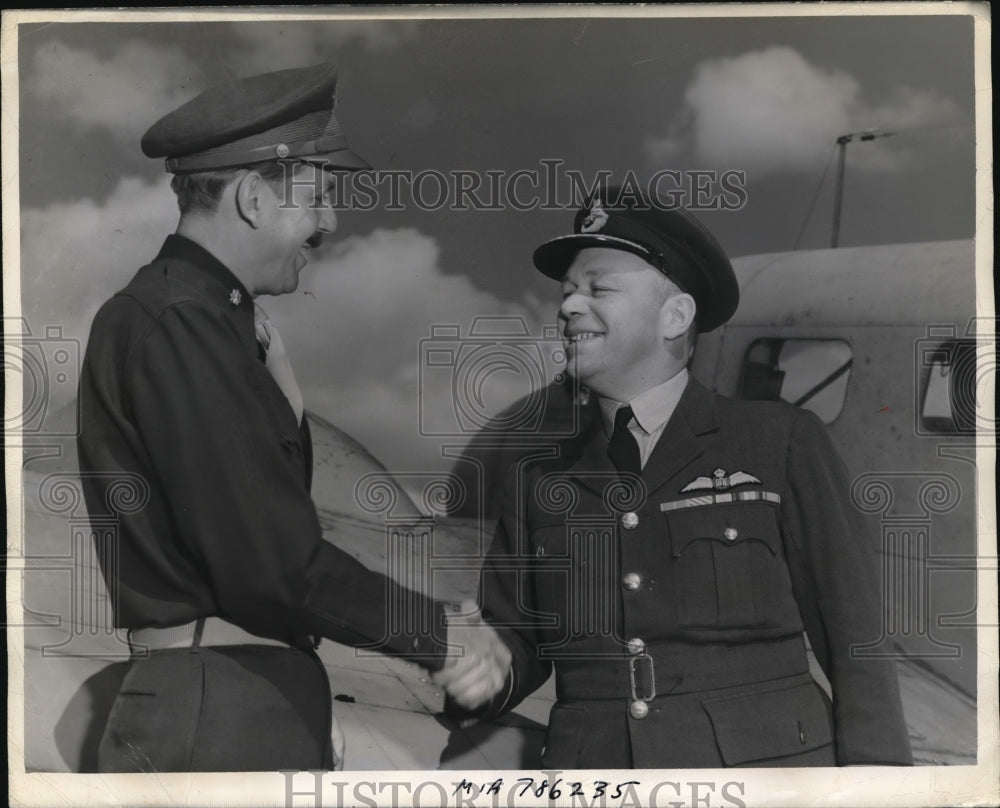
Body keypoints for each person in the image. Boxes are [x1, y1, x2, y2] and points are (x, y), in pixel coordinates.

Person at [77, 62, 508, 773]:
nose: (330, 222)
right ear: (251, 196)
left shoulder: (204, 320)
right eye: (319, 195)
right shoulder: (182, 322)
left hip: (237, 699)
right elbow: (269, 560)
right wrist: (436, 632)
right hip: (220, 710)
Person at [443, 186, 913, 768]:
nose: (566, 307)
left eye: (599, 288)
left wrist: (881, 786)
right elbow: (516, 644)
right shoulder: (538, 475)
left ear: (676, 316)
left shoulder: (780, 443)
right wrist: (474, 667)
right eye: (566, 292)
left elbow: (857, 643)